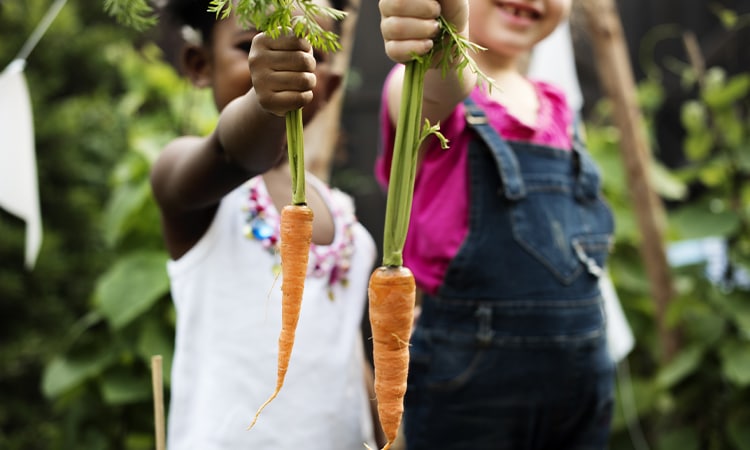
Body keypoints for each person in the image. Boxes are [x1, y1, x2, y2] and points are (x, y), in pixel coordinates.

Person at [376, 0, 616, 448]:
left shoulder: (556, 103)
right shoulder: (428, 87)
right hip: (472, 378)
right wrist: (450, 24)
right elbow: (442, 80)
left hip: (582, 374)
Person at [150, 1, 380, 448]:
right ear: (200, 66)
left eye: (314, 53)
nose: (287, 60)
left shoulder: (350, 223)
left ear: (328, 84)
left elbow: (352, 363)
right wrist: (263, 102)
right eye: (247, 45)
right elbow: (233, 152)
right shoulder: (190, 179)